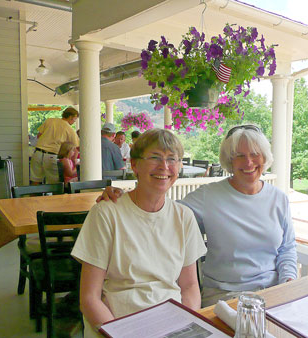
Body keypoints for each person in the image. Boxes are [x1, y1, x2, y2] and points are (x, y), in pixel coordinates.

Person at [99, 125, 297, 307]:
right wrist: (123, 200)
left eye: (255, 154)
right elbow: (158, 213)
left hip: (273, 293)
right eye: (239, 155)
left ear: (265, 157)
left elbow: (287, 248)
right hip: (225, 296)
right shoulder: (208, 197)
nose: (249, 162)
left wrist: (288, 281)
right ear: (229, 160)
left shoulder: (279, 199)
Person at [71, 128, 207, 337]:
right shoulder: (107, 213)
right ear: (134, 165)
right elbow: (89, 298)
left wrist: (186, 326)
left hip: (172, 325)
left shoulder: (184, 217)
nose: (164, 166)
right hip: (119, 325)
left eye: (172, 159)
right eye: (155, 157)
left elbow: (189, 287)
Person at [30, 107, 79, 184]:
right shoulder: (69, 129)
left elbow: (39, 135)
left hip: (37, 153)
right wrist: (74, 160)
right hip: (52, 156)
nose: (74, 122)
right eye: (74, 119)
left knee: (35, 181)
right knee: (54, 184)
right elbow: (76, 147)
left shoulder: (50, 120)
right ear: (70, 117)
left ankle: (34, 196)